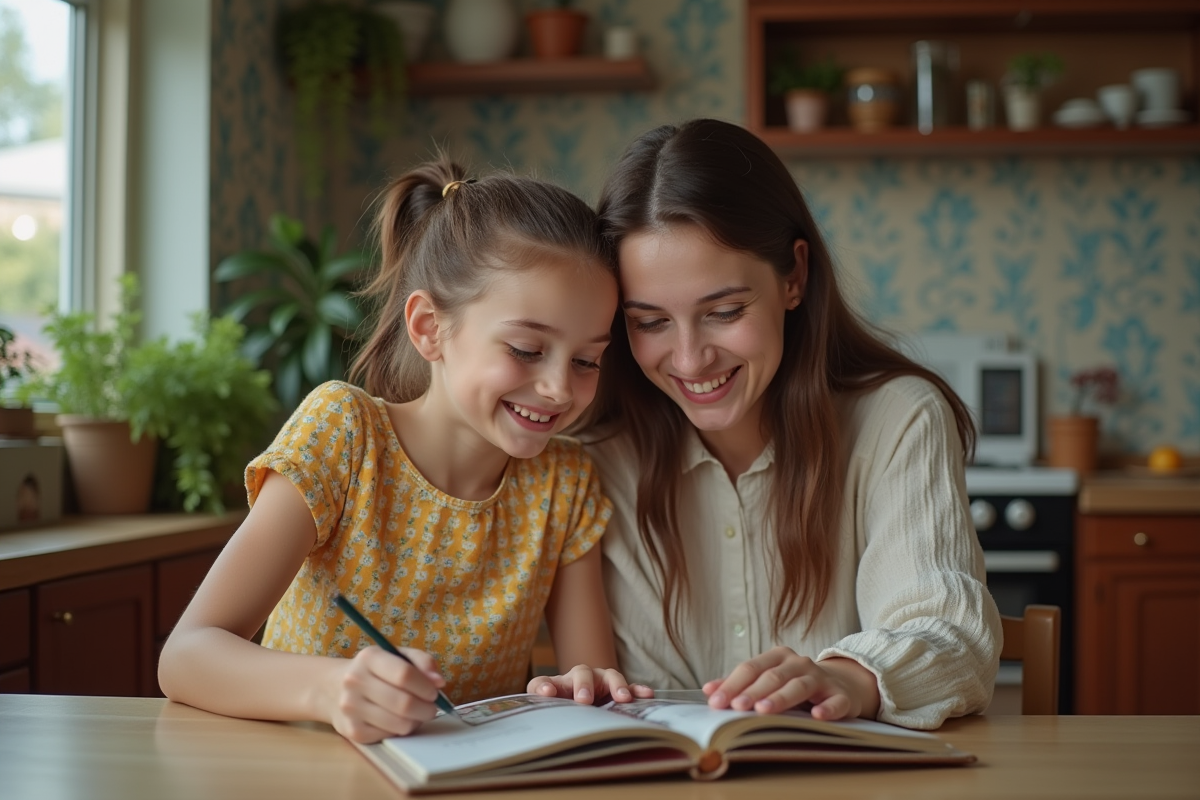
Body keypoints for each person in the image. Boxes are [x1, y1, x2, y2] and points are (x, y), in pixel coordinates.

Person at [530, 118, 1001, 730]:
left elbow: (953, 637)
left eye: (725, 311)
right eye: (650, 322)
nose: (690, 360)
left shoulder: (898, 420)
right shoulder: (584, 458)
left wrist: (850, 679)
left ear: (793, 277)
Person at [160, 158, 650, 744]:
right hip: (302, 771)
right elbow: (186, 656)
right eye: (525, 349)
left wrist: (584, 689)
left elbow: (587, 676)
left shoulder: (565, 483)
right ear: (428, 328)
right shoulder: (344, 435)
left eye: (587, 360)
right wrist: (330, 690)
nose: (559, 389)